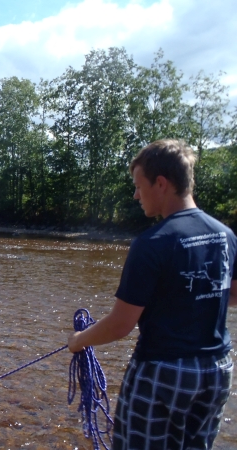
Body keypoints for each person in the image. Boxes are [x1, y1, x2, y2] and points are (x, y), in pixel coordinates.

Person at [67, 139, 237, 449]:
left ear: (161, 184)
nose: (135, 194)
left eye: (138, 185)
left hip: (163, 371)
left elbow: (121, 325)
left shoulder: (152, 243)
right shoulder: (225, 235)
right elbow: (232, 294)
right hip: (217, 369)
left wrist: (80, 341)